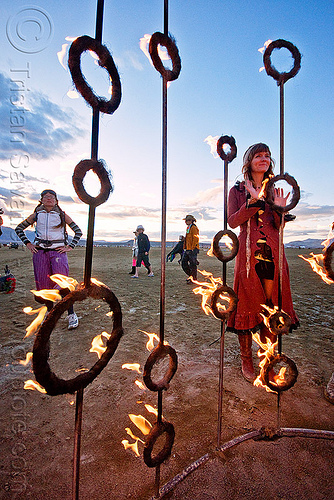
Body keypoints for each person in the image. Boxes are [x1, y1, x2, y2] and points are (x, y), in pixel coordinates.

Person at [227, 143, 299, 382]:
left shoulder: (275, 190)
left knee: (271, 304)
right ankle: (246, 360)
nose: (264, 159)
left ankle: (266, 357)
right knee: (247, 304)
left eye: (267, 156)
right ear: (249, 161)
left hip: (273, 254)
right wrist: (253, 202)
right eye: (258, 155)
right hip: (247, 256)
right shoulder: (237, 190)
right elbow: (233, 221)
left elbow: (277, 226)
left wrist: (278, 210)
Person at [15, 189, 82, 329]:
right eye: (46, 197)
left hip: (58, 252)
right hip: (40, 253)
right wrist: (28, 243)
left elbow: (78, 232)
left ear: (56, 200)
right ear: (41, 200)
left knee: (62, 284)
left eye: (52, 197)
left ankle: (71, 314)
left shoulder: (62, 215)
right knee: (44, 285)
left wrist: (70, 246)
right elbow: (19, 228)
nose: (49, 199)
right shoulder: (36, 215)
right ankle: (51, 315)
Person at [181, 215, 199, 282]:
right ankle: (191, 276)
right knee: (184, 263)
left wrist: (193, 248)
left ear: (191, 221)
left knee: (192, 265)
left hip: (192, 249)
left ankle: (193, 278)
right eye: (186, 220)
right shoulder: (189, 227)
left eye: (187, 220)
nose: (185, 222)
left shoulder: (193, 228)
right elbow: (189, 238)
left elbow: (195, 238)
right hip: (188, 248)